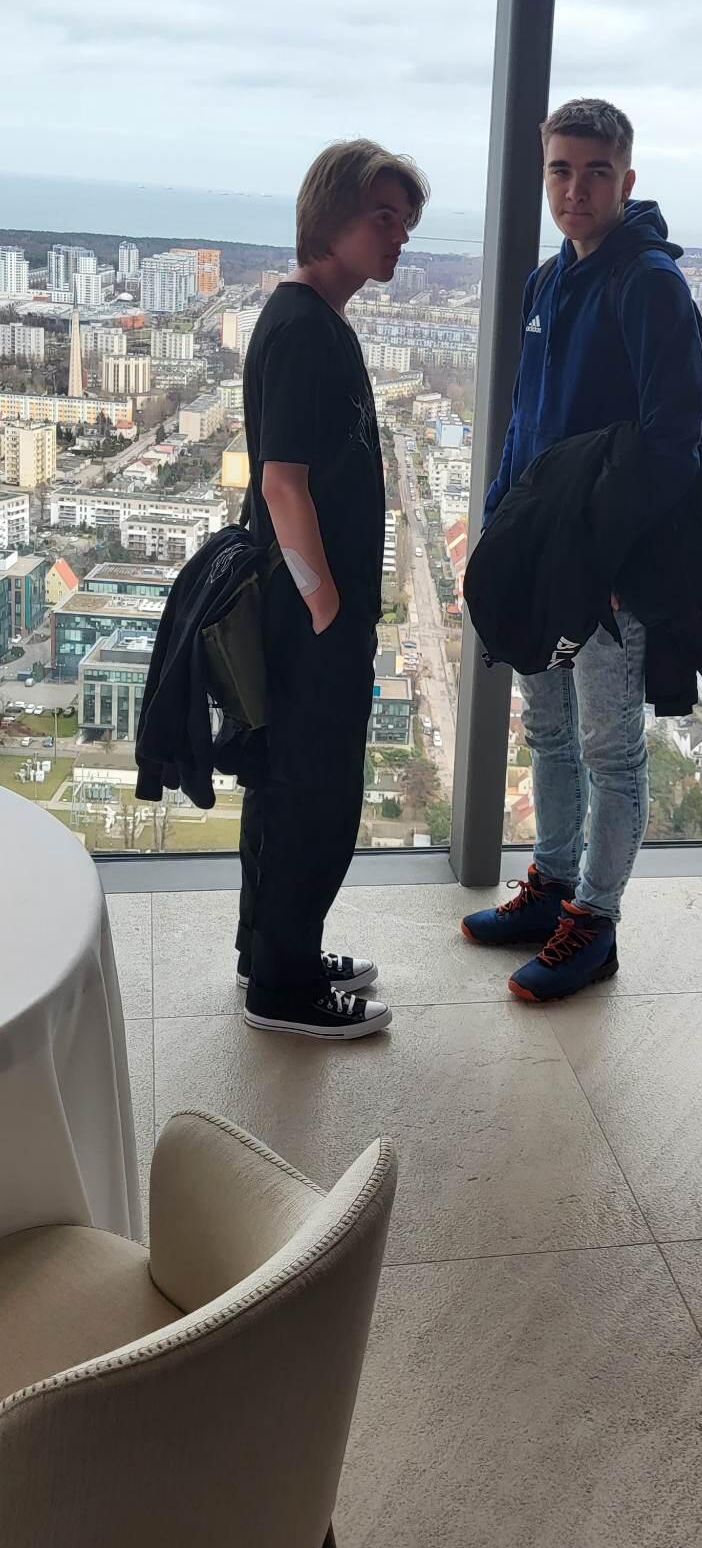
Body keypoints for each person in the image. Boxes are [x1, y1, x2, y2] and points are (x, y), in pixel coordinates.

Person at [462, 98, 702, 1002]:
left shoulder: (648, 284)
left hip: (609, 573)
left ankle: (594, 924)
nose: (575, 189)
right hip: (540, 554)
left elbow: (674, 444)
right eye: (560, 170)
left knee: (610, 748)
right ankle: (553, 885)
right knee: (550, 731)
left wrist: (606, 560)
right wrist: (500, 530)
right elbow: (525, 422)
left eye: (596, 172)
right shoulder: (546, 281)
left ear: (626, 180)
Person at [237, 138, 429, 1039]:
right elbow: (283, 483)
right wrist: (325, 606)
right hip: (307, 614)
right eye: (383, 217)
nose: (399, 236)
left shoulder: (315, 319)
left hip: (309, 609)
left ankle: (276, 953)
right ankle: (283, 991)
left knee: (290, 788)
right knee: (314, 795)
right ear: (330, 217)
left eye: (406, 222)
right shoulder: (304, 328)